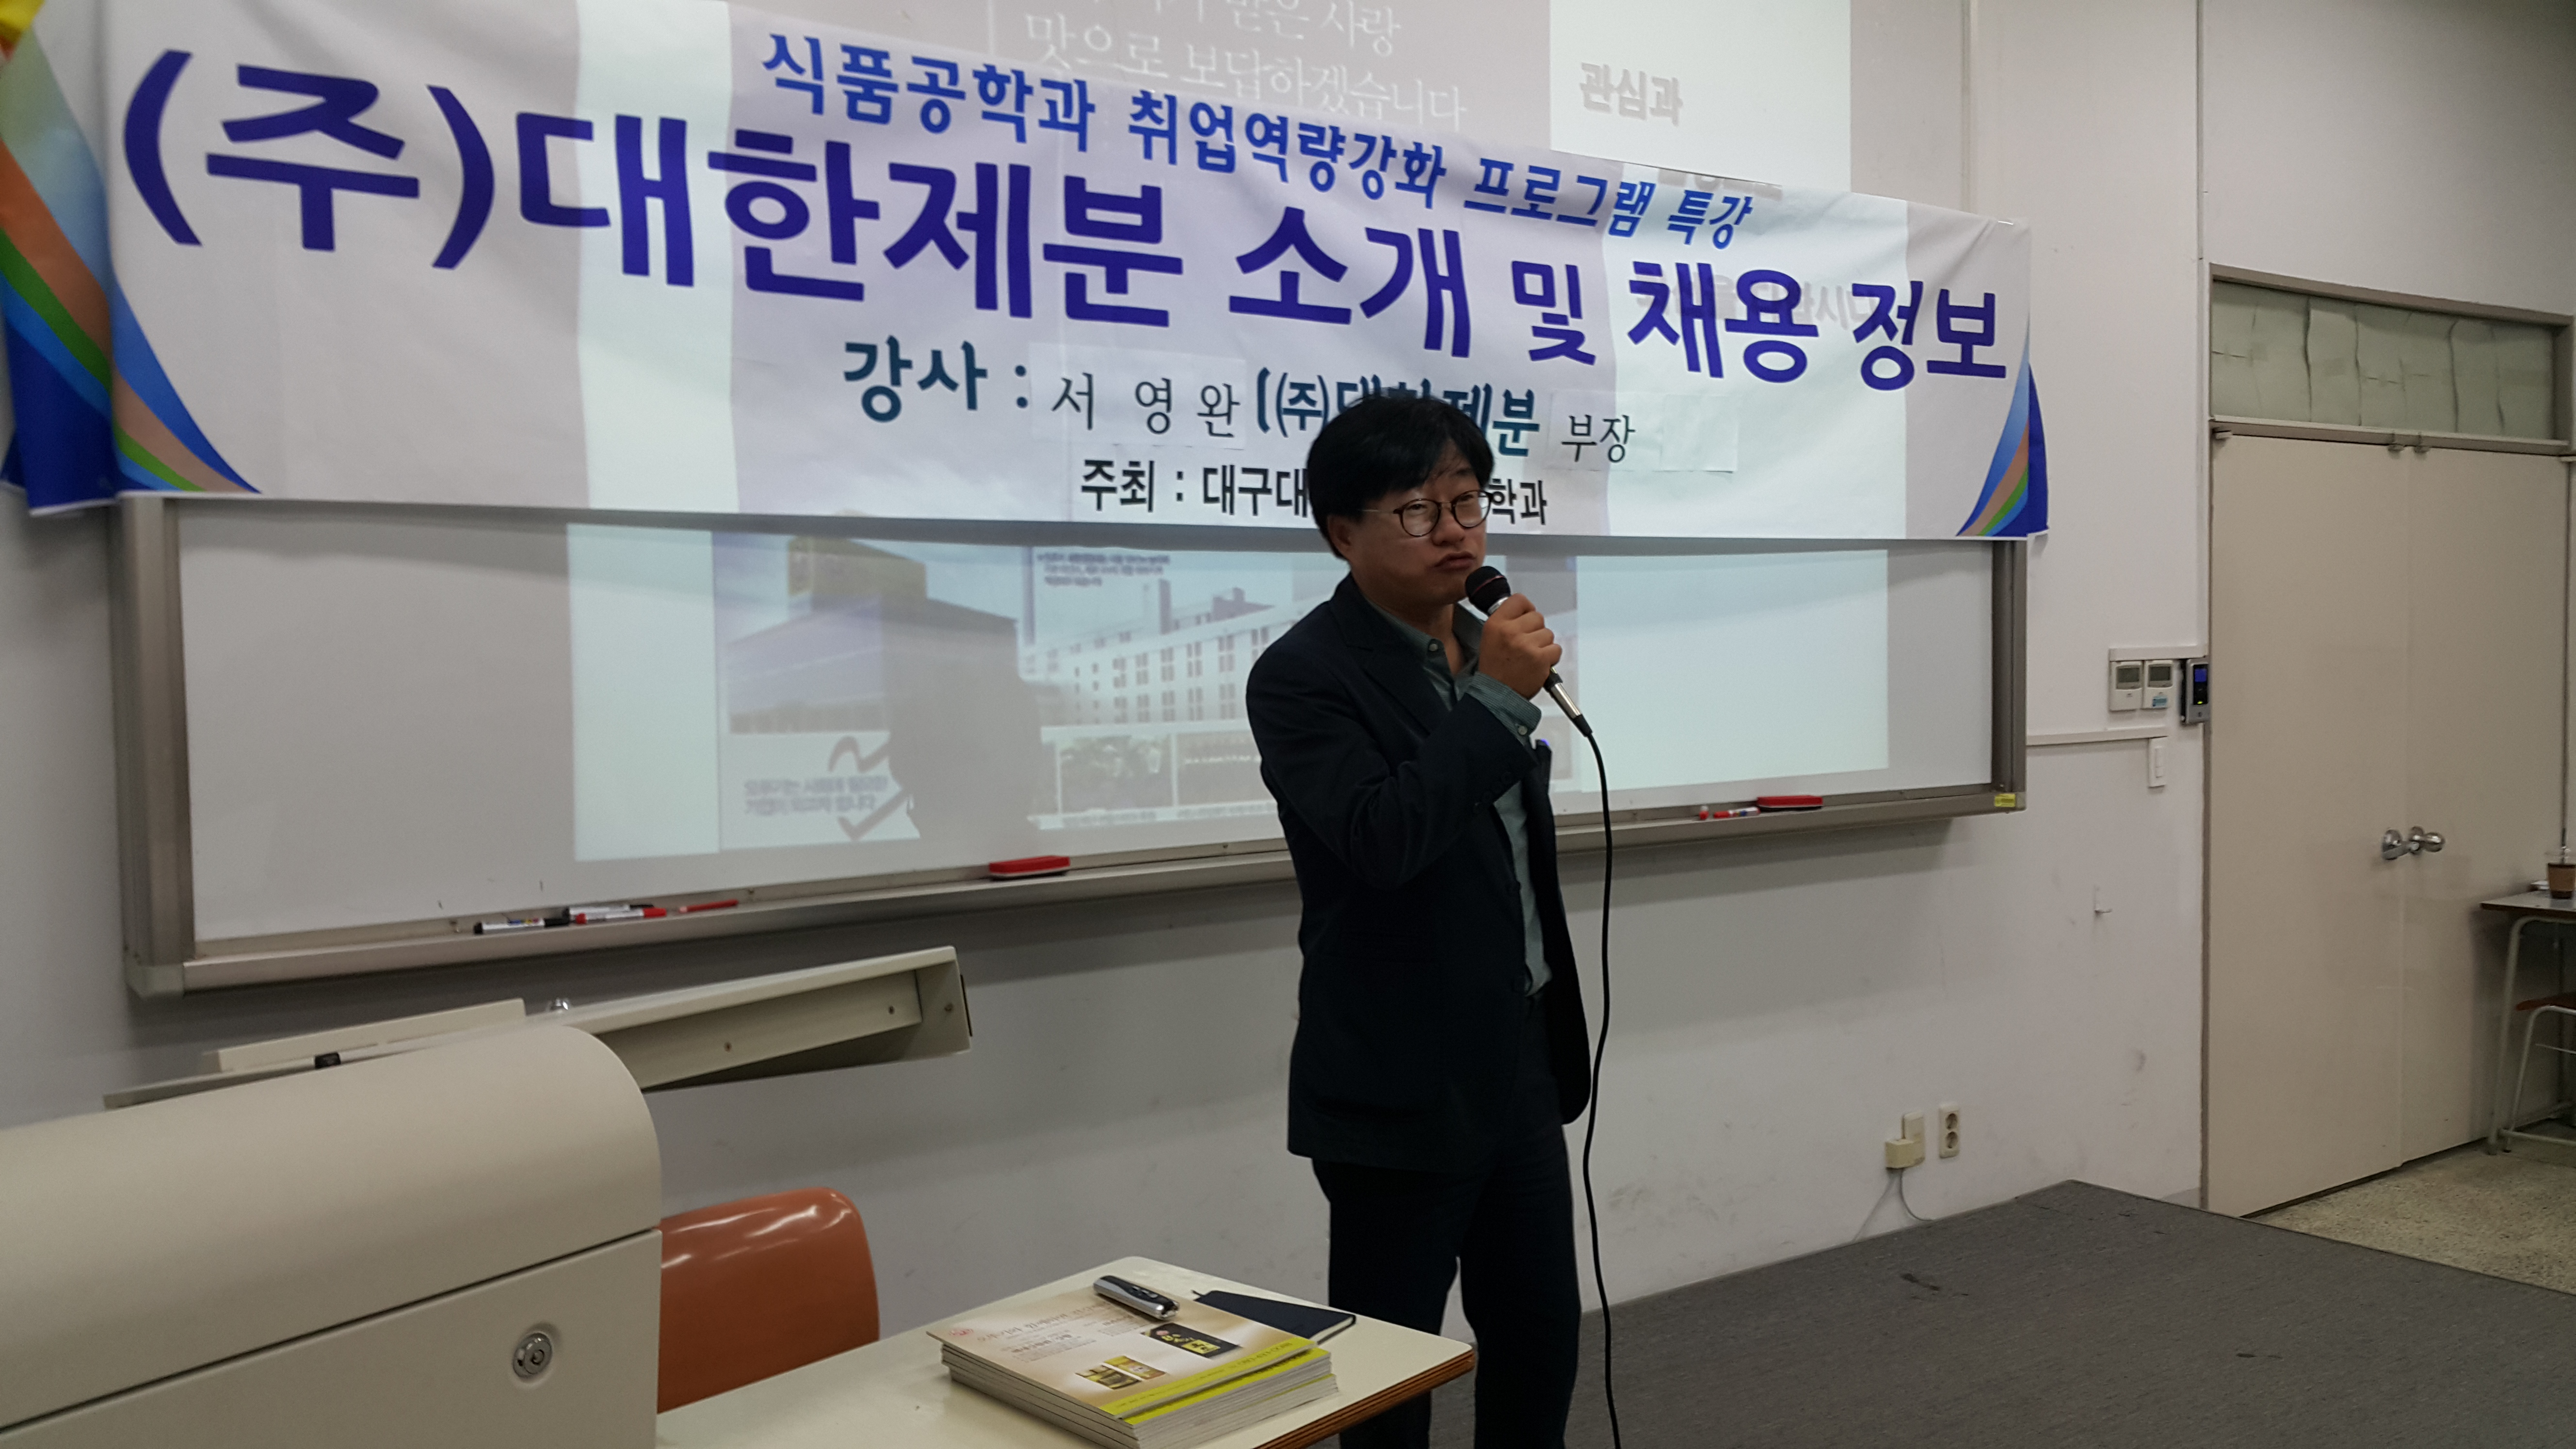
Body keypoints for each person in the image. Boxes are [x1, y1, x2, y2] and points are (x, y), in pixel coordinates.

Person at [1244, 395, 1591, 1449]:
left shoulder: (1486, 648)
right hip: (1398, 1075)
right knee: (1389, 1374)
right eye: (1416, 510)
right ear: (1341, 534)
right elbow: (1382, 839)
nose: (1454, 532)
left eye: (1468, 502)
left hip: (1517, 1054)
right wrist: (1497, 704)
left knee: (1538, 1336)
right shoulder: (1303, 676)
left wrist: (1496, 692)